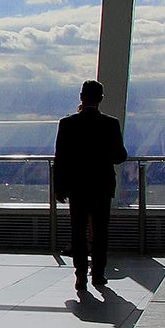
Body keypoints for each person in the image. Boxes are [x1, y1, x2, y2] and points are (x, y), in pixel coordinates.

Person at [53, 79, 128, 294]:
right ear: (100, 99)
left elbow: (61, 158)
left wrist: (60, 187)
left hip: (77, 185)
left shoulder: (67, 124)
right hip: (102, 184)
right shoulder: (110, 124)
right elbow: (119, 155)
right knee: (100, 230)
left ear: (81, 96)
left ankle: (80, 276)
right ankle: (99, 273)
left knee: (78, 230)